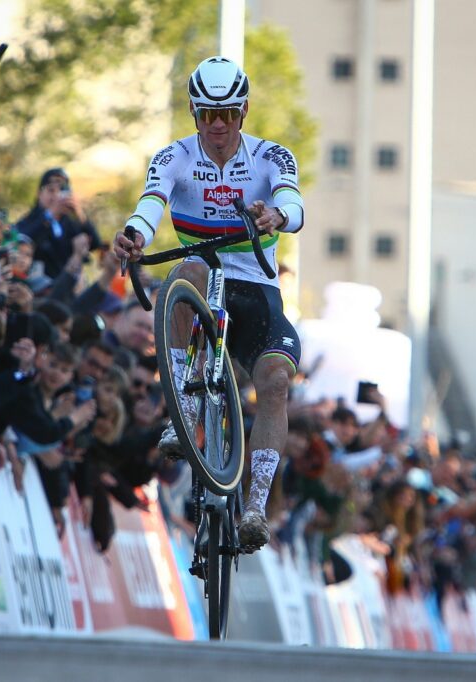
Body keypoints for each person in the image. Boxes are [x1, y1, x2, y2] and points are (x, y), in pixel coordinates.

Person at [114, 56, 305, 550]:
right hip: (203, 275)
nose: (217, 125)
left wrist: (277, 217)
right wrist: (135, 233)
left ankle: (256, 508)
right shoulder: (173, 156)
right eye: (206, 115)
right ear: (194, 114)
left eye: (228, 115)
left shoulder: (271, 157)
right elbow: (151, 201)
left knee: (277, 381)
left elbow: (296, 204)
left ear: (243, 112)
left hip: (256, 290)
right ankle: (184, 408)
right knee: (189, 271)